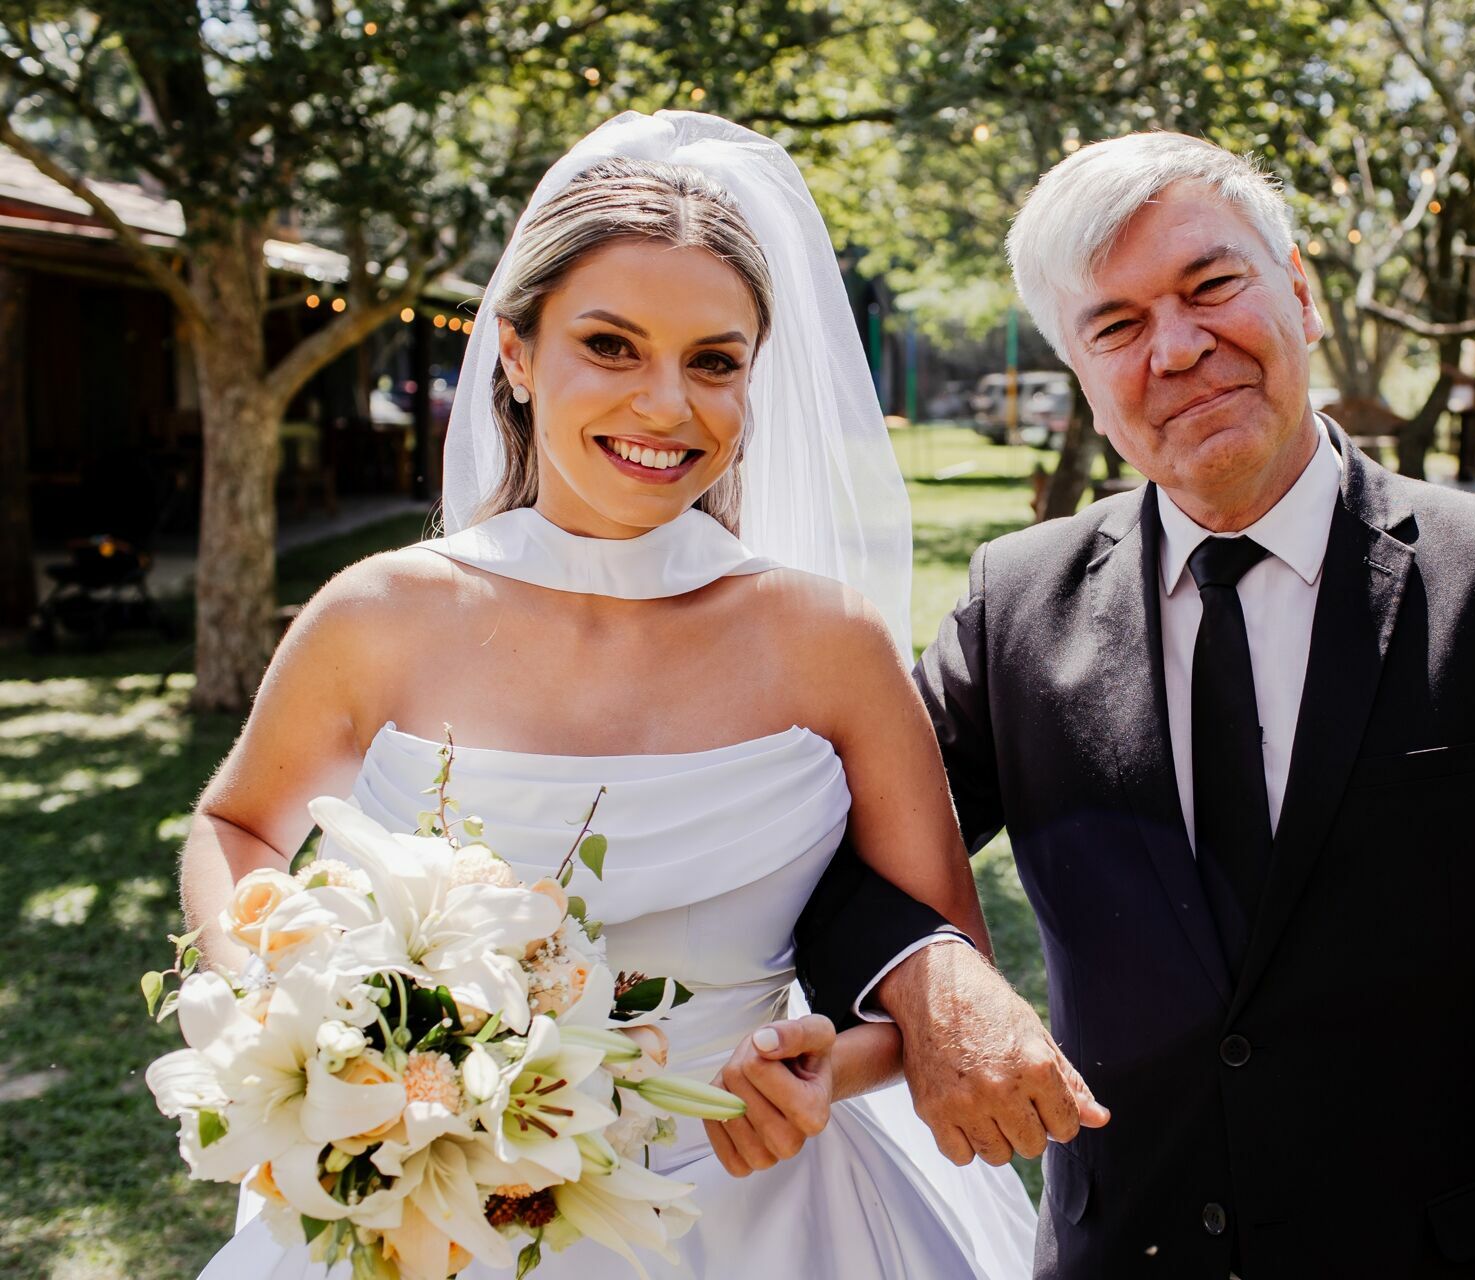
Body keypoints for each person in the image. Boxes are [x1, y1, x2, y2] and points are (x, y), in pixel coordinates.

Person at [796, 132, 1475, 1279]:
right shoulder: (1012, 603)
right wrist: (932, 977)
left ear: (1303, 296)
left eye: (1211, 284)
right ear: (1078, 367)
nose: (1177, 348)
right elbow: (820, 851)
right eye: (1116, 326)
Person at [177, 112, 1037, 1280]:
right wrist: (290, 1007)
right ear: (519, 355)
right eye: (613, 345)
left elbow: (940, 967)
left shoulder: (831, 642)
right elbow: (236, 826)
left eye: (714, 360)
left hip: (768, 1210)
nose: (667, 406)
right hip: (433, 1209)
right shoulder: (375, 613)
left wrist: (833, 1062)